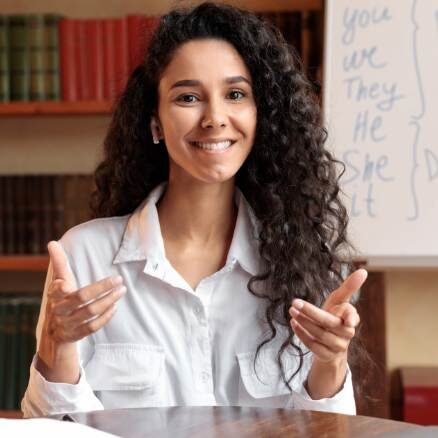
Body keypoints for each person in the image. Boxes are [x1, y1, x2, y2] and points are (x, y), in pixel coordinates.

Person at [22, 2, 367, 417]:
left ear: (261, 117)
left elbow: (325, 431)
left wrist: (329, 362)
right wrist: (55, 346)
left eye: (235, 94)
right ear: (155, 121)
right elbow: (51, 429)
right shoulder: (85, 256)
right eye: (188, 97)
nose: (215, 118)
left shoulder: (305, 261)